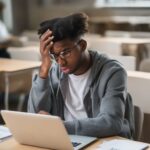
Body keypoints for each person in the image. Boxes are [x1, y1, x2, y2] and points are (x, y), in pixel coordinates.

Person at [28, 13, 134, 139]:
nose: (60, 62)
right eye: (54, 55)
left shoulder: (112, 72)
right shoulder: (55, 70)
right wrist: (44, 70)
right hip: (67, 139)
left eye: (65, 52)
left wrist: (60, 127)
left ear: (82, 45)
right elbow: (35, 116)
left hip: (104, 141)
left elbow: (111, 123)